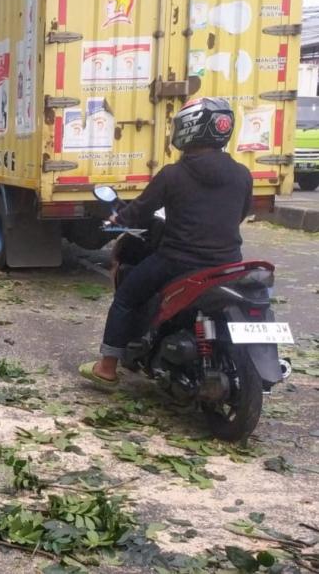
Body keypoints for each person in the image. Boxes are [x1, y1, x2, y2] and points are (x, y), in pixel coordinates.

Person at [80, 97, 252, 386]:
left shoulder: (174, 174)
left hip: (178, 261)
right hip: (229, 263)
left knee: (126, 297)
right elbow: (240, 214)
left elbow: (140, 210)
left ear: (189, 129)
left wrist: (117, 220)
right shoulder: (242, 174)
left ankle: (107, 368)